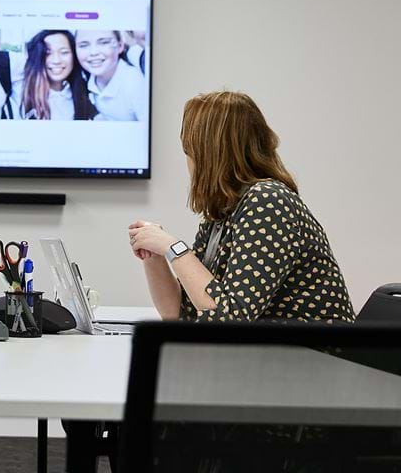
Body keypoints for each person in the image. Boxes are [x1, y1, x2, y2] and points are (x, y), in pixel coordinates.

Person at [128, 91, 353, 323]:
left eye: (190, 152)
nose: (188, 162)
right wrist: (155, 256)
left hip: (309, 356)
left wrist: (173, 247)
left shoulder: (267, 200)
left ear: (210, 154)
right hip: (269, 354)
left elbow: (229, 319)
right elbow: (183, 314)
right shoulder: (223, 209)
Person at [18, 30, 97, 121]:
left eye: (64, 52)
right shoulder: (20, 90)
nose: (56, 61)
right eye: (47, 53)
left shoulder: (87, 94)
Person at [75, 29, 147, 121]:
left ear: (120, 45)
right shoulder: (87, 77)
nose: (93, 52)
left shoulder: (135, 84)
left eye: (104, 43)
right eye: (84, 45)